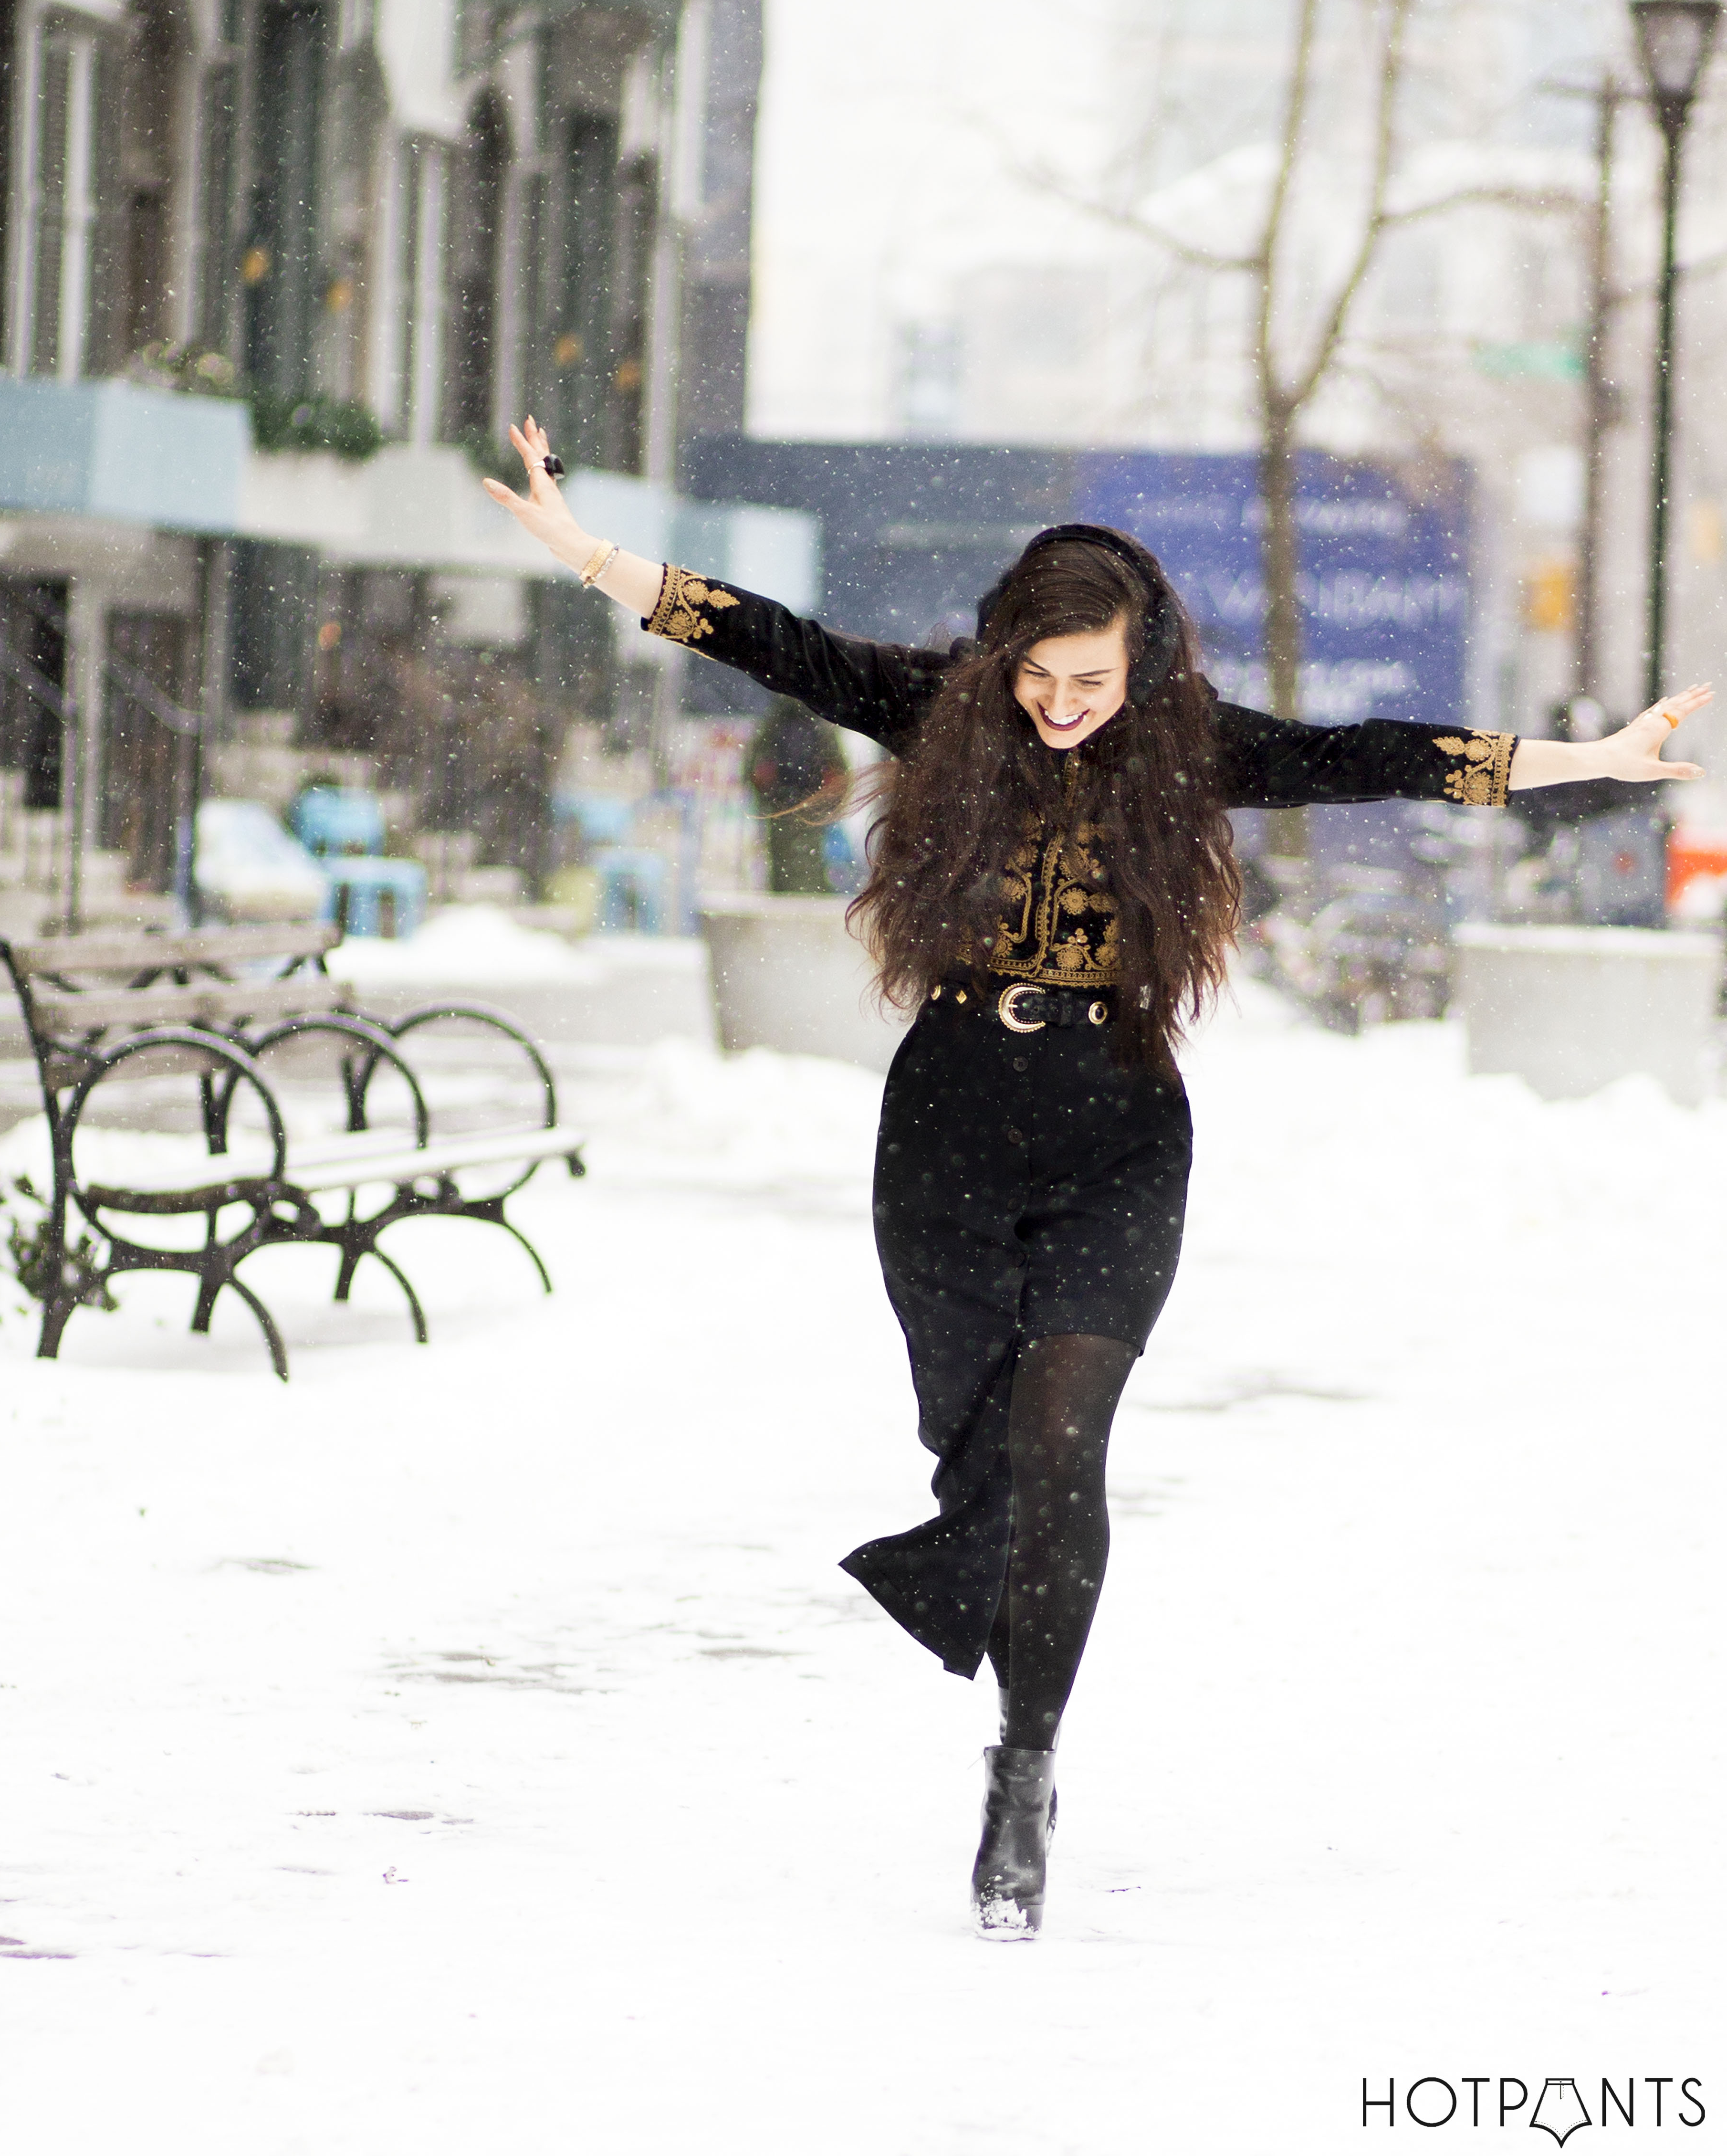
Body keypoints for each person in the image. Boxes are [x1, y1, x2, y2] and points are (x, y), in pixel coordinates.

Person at [485, 421, 1710, 1940]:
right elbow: (768, 640)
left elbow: (1387, 756)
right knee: (984, 1464)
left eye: (1093, 683)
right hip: (945, 1124)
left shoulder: (1197, 748)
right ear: (1006, 654)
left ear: (1142, 667)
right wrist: (585, 550)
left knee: (1063, 1442)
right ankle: (978, 1601)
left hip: (1117, 1129)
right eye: (1040, 679)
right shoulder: (939, 709)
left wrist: (1588, 761)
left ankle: (1024, 1763)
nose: (1062, 709)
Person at [743, 694, 850, 894]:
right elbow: (755, 768)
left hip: (798, 806)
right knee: (796, 860)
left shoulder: (776, 724)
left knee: (797, 860)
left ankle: (799, 897)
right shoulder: (791, 723)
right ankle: (802, 897)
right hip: (794, 805)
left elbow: (838, 772)